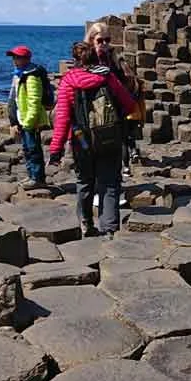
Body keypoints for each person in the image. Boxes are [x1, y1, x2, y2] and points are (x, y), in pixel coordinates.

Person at [49, 41, 137, 237]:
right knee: (110, 183)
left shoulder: (69, 81)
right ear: (94, 58)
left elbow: (62, 119)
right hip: (109, 138)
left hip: (82, 141)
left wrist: (56, 150)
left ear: (75, 60)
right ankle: (110, 230)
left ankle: (86, 224)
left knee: (84, 183)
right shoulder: (108, 77)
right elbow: (130, 105)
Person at [85, 22, 143, 177]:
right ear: (91, 40)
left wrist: (129, 106)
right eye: (100, 40)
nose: (104, 44)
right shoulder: (85, 62)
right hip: (94, 112)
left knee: (116, 147)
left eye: (107, 40)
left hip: (115, 111)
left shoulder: (114, 60)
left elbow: (121, 84)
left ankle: (117, 179)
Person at [6, 44, 51, 189]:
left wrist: (29, 122)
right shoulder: (19, 74)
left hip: (30, 120)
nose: (14, 60)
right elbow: (15, 99)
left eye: (17, 57)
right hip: (22, 118)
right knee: (27, 149)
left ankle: (38, 178)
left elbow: (34, 101)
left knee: (33, 149)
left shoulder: (32, 76)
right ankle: (31, 175)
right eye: (13, 57)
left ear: (25, 59)